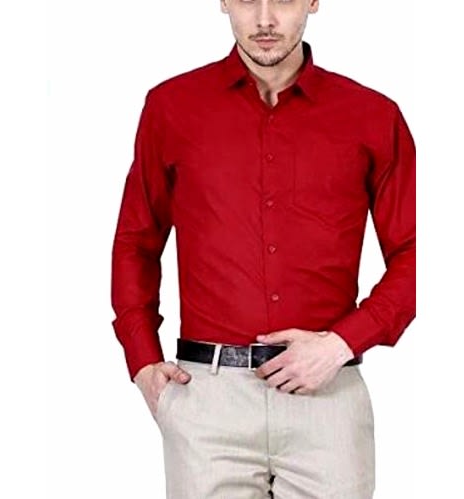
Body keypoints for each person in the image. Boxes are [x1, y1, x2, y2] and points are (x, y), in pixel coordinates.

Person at [110, 0, 415, 497]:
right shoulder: (172, 107)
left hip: (328, 401)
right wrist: (143, 361)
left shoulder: (372, 116)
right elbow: (136, 241)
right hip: (207, 404)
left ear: (313, 1)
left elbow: (421, 253)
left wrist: (341, 343)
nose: (266, 19)